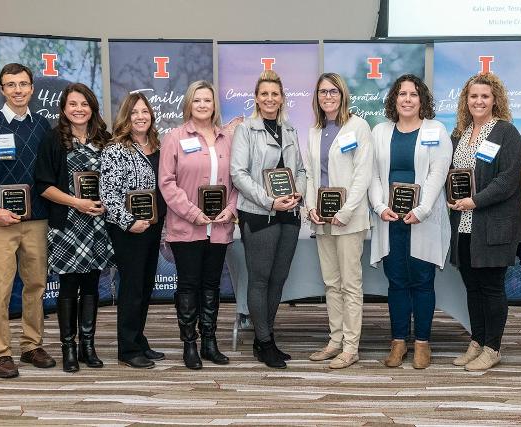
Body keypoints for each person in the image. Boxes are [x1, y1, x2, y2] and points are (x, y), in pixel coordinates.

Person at [0, 63, 56, 378]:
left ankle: (32, 345)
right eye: (11, 85)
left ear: (32, 88)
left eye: (23, 84)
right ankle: (0, 353)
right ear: (2, 89)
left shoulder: (44, 126)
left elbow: (50, 173)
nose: (18, 90)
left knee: (36, 285)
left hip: (37, 220)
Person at [368, 74, 452, 369]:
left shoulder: (436, 130)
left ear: (422, 100)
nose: (407, 99)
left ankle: (422, 344)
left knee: (422, 281)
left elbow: (437, 174)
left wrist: (422, 209)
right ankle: (398, 341)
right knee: (397, 282)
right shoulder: (379, 132)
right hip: (390, 219)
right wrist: (379, 206)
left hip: (422, 220)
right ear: (394, 99)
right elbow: (373, 175)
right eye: (402, 94)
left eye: (413, 94)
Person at [35, 83, 114, 373]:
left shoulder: (105, 140)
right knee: (69, 286)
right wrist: (76, 203)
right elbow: (43, 185)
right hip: (67, 223)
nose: (78, 109)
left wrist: (107, 202)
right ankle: (68, 347)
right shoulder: (53, 139)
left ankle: (87, 347)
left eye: (84, 104)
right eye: (73, 104)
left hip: (97, 224)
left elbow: (113, 181)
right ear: (64, 108)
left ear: (92, 107)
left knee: (92, 284)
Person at [230, 70, 306, 369]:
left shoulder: (290, 130)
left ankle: (267, 337)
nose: (270, 99)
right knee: (260, 280)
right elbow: (238, 174)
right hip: (260, 213)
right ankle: (263, 342)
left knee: (278, 280)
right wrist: (269, 199)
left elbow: (300, 170)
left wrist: (298, 194)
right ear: (256, 98)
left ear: (282, 98)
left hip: (289, 214)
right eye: (264, 94)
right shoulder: (245, 130)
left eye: (275, 94)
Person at [448, 73, 521, 371]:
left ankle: (493, 347)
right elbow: (452, 175)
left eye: (485, 96)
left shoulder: (506, 133)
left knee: (492, 287)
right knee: (472, 287)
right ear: (466, 101)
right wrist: (451, 196)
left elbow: (507, 180)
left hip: (493, 226)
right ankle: (477, 341)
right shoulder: (461, 134)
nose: (478, 101)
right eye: (473, 96)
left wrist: (475, 201)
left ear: (495, 100)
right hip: (464, 225)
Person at [159, 81, 237, 370]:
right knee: (189, 285)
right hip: (186, 227)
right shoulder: (174, 138)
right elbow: (167, 183)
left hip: (219, 227)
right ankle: (189, 343)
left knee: (211, 285)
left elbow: (236, 181)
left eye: (208, 100)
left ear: (215, 105)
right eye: (197, 100)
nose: (203, 105)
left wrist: (230, 209)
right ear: (188, 105)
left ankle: (209, 342)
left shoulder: (226, 139)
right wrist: (193, 213)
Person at [305, 73, 372, 369]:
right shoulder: (315, 130)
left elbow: (363, 175)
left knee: (350, 284)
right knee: (331, 283)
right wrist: (310, 208)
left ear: (343, 94)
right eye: (322, 92)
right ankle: (335, 341)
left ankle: (351, 346)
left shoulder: (358, 126)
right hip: (322, 219)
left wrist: (344, 212)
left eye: (333, 91)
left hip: (349, 219)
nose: (328, 96)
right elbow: (309, 174)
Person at [100, 92, 167, 369]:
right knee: (132, 288)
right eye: (134, 112)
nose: (140, 116)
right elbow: (108, 193)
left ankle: (138, 339)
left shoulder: (158, 145)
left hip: (153, 226)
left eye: (145, 112)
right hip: (128, 230)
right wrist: (128, 221)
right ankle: (127, 349)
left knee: (146, 285)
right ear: (126, 117)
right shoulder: (115, 149)